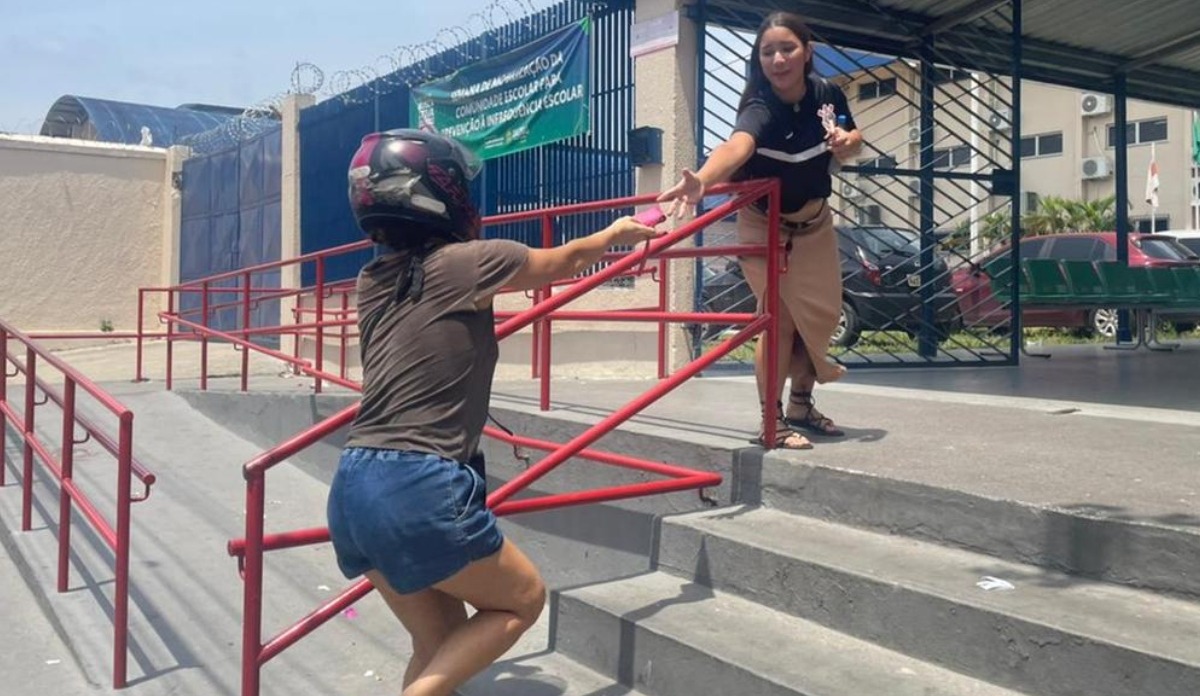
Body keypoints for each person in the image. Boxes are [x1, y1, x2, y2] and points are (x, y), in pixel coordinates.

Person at [326, 128, 658, 696]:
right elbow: (566, 260)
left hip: (353, 487)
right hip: (419, 483)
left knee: (438, 646)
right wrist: (616, 233)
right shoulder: (472, 262)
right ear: (442, 193)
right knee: (523, 599)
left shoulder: (371, 280)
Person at [658, 11, 863, 449]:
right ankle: (773, 421)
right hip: (763, 225)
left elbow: (850, 133)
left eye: (787, 48)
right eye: (767, 52)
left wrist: (849, 141)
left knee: (820, 317)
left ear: (807, 52)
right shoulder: (760, 107)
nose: (778, 60)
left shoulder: (827, 94)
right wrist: (702, 181)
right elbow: (737, 146)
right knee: (780, 318)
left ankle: (801, 405)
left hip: (815, 223)